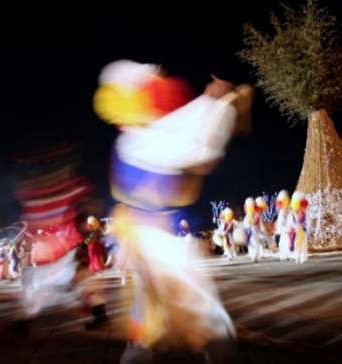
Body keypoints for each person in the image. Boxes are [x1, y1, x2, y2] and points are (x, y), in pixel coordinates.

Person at [93, 60, 254, 363]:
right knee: (190, 297)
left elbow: (184, 133)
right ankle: (206, 343)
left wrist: (215, 103)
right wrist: (218, 103)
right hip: (154, 238)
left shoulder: (134, 140)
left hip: (150, 236)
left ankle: (146, 347)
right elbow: (196, 147)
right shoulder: (140, 142)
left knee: (153, 297)